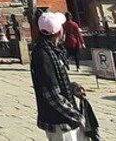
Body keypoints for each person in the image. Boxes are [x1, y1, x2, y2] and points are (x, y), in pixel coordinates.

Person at [31, 11, 85, 140]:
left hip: (61, 117)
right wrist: (75, 115)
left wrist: (72, 87)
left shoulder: (52, 50)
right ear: (59, 31)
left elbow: (56, 81)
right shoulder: (43, 55)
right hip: (59, 120)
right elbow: (52, 94)